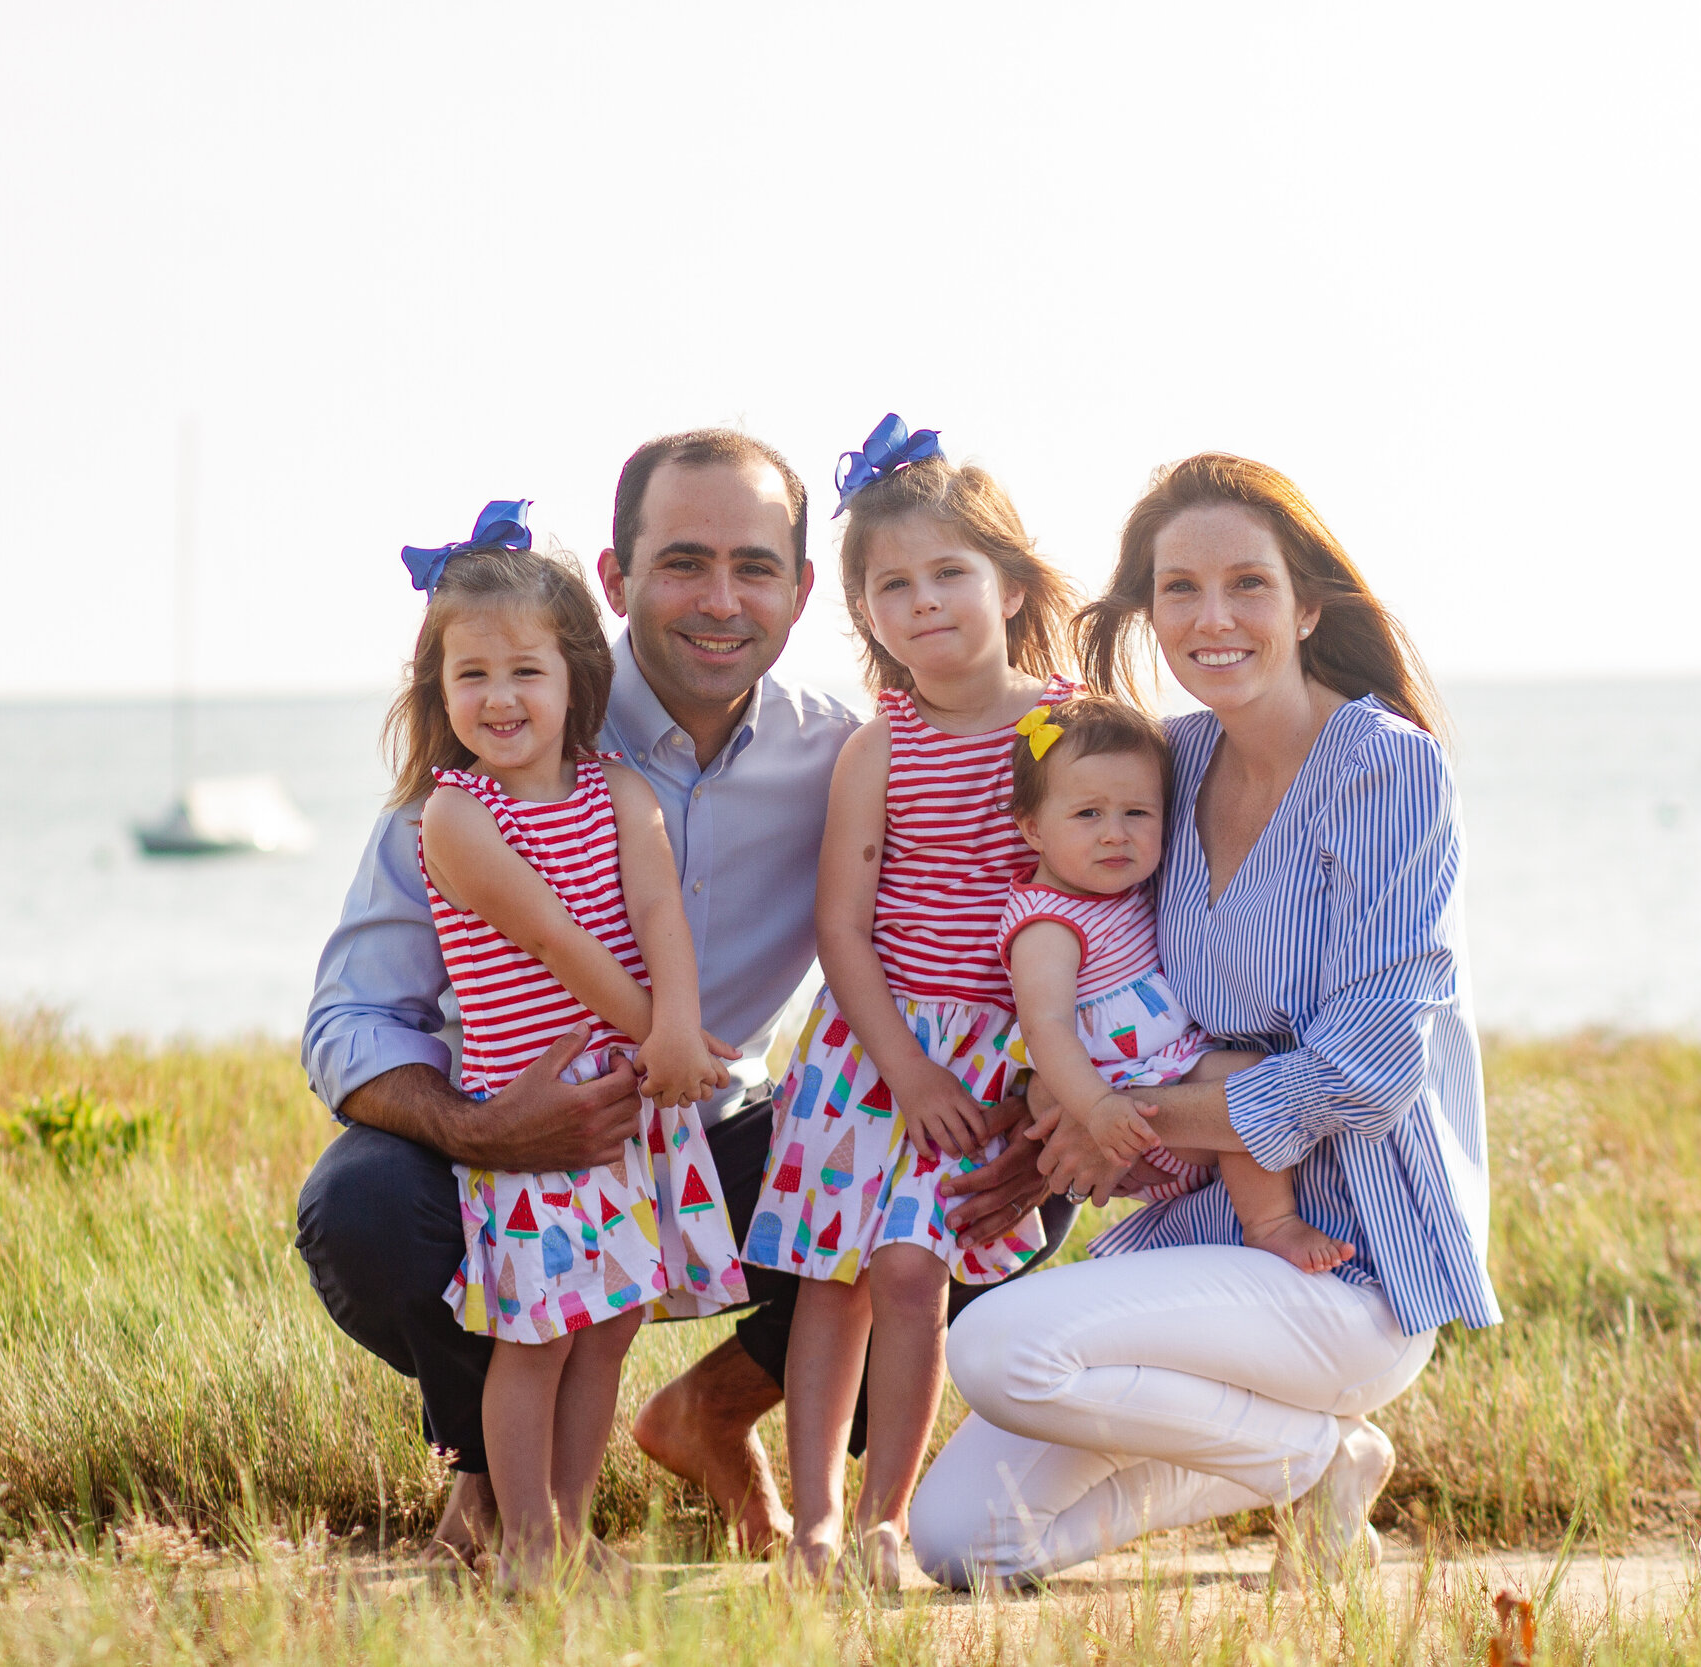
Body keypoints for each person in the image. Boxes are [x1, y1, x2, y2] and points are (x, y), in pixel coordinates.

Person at [294, 428, 1072, 1569]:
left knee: (998, 1185)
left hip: (717, 1135)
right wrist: (482, 1128)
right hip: (514, 1137)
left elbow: (993, 880)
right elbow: (348, 1022)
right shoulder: (513, 732)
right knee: (362, 1208)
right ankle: (492, 1474)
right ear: (613, 579)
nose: (720, 599)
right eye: (682, 562)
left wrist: (1043, 1084)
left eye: (754, 566)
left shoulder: (840, 753)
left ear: (808, 591)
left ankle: (715, 1406)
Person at [908, 453, 1503, 1590]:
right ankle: (1316, 1464)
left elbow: (1370, 1073)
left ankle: (1306, 1446)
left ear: (1306, 604)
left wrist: (1122, 1115)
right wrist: (1048, 1104)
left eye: (1247, 584)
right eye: (1178, 588)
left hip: (1347, 1263)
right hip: (1198, 1238)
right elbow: (1089, 975)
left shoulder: (1388, 772)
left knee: (994, 1343)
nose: (1211, 617)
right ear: (1143, 609)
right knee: (962, 1543)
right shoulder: (1167, 763)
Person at [744, 415, 1079, 1585]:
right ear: (866, 613)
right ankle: (813, 1524)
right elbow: (840, 923)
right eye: (894, 585)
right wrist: (905, 1067)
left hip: (995, 1050)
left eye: (950, 573)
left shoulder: (1064, 726)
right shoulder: (878, 747)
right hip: (871, 1044)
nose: (925, 601)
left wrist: (1043, 1069)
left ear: (1010, 583)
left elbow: (1112, 890)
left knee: (908, 1271)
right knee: (826, 1282)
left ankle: (887, 1513)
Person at [390, 504, 750, 1588]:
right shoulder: (457, 815)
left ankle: (568, 1527)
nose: (499, 699)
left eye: (524, 672)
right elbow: (556, 938)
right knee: (535, 1335)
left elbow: (656, 919)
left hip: (634, 1107)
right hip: (542, 1119)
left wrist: (679, 1026)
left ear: (574, 674)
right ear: (439, 691)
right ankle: (523, 1545)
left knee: (610, 1323)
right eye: (471, 676)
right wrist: (665, 1035)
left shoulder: (616, 789)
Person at [995, 692, 1351, 1274]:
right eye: (1088, 815)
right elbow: (1045, 1026)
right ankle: (1271, 1225)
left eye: (1137, 813)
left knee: (1246, 1073)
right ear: (1033, 830)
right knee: (1243, 1079)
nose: (1115, 834)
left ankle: (1242, 1229)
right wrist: (1097, 1107)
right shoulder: (1047, 925)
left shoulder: (1129, 888)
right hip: (1124, 1093)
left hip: (1171, 1068)